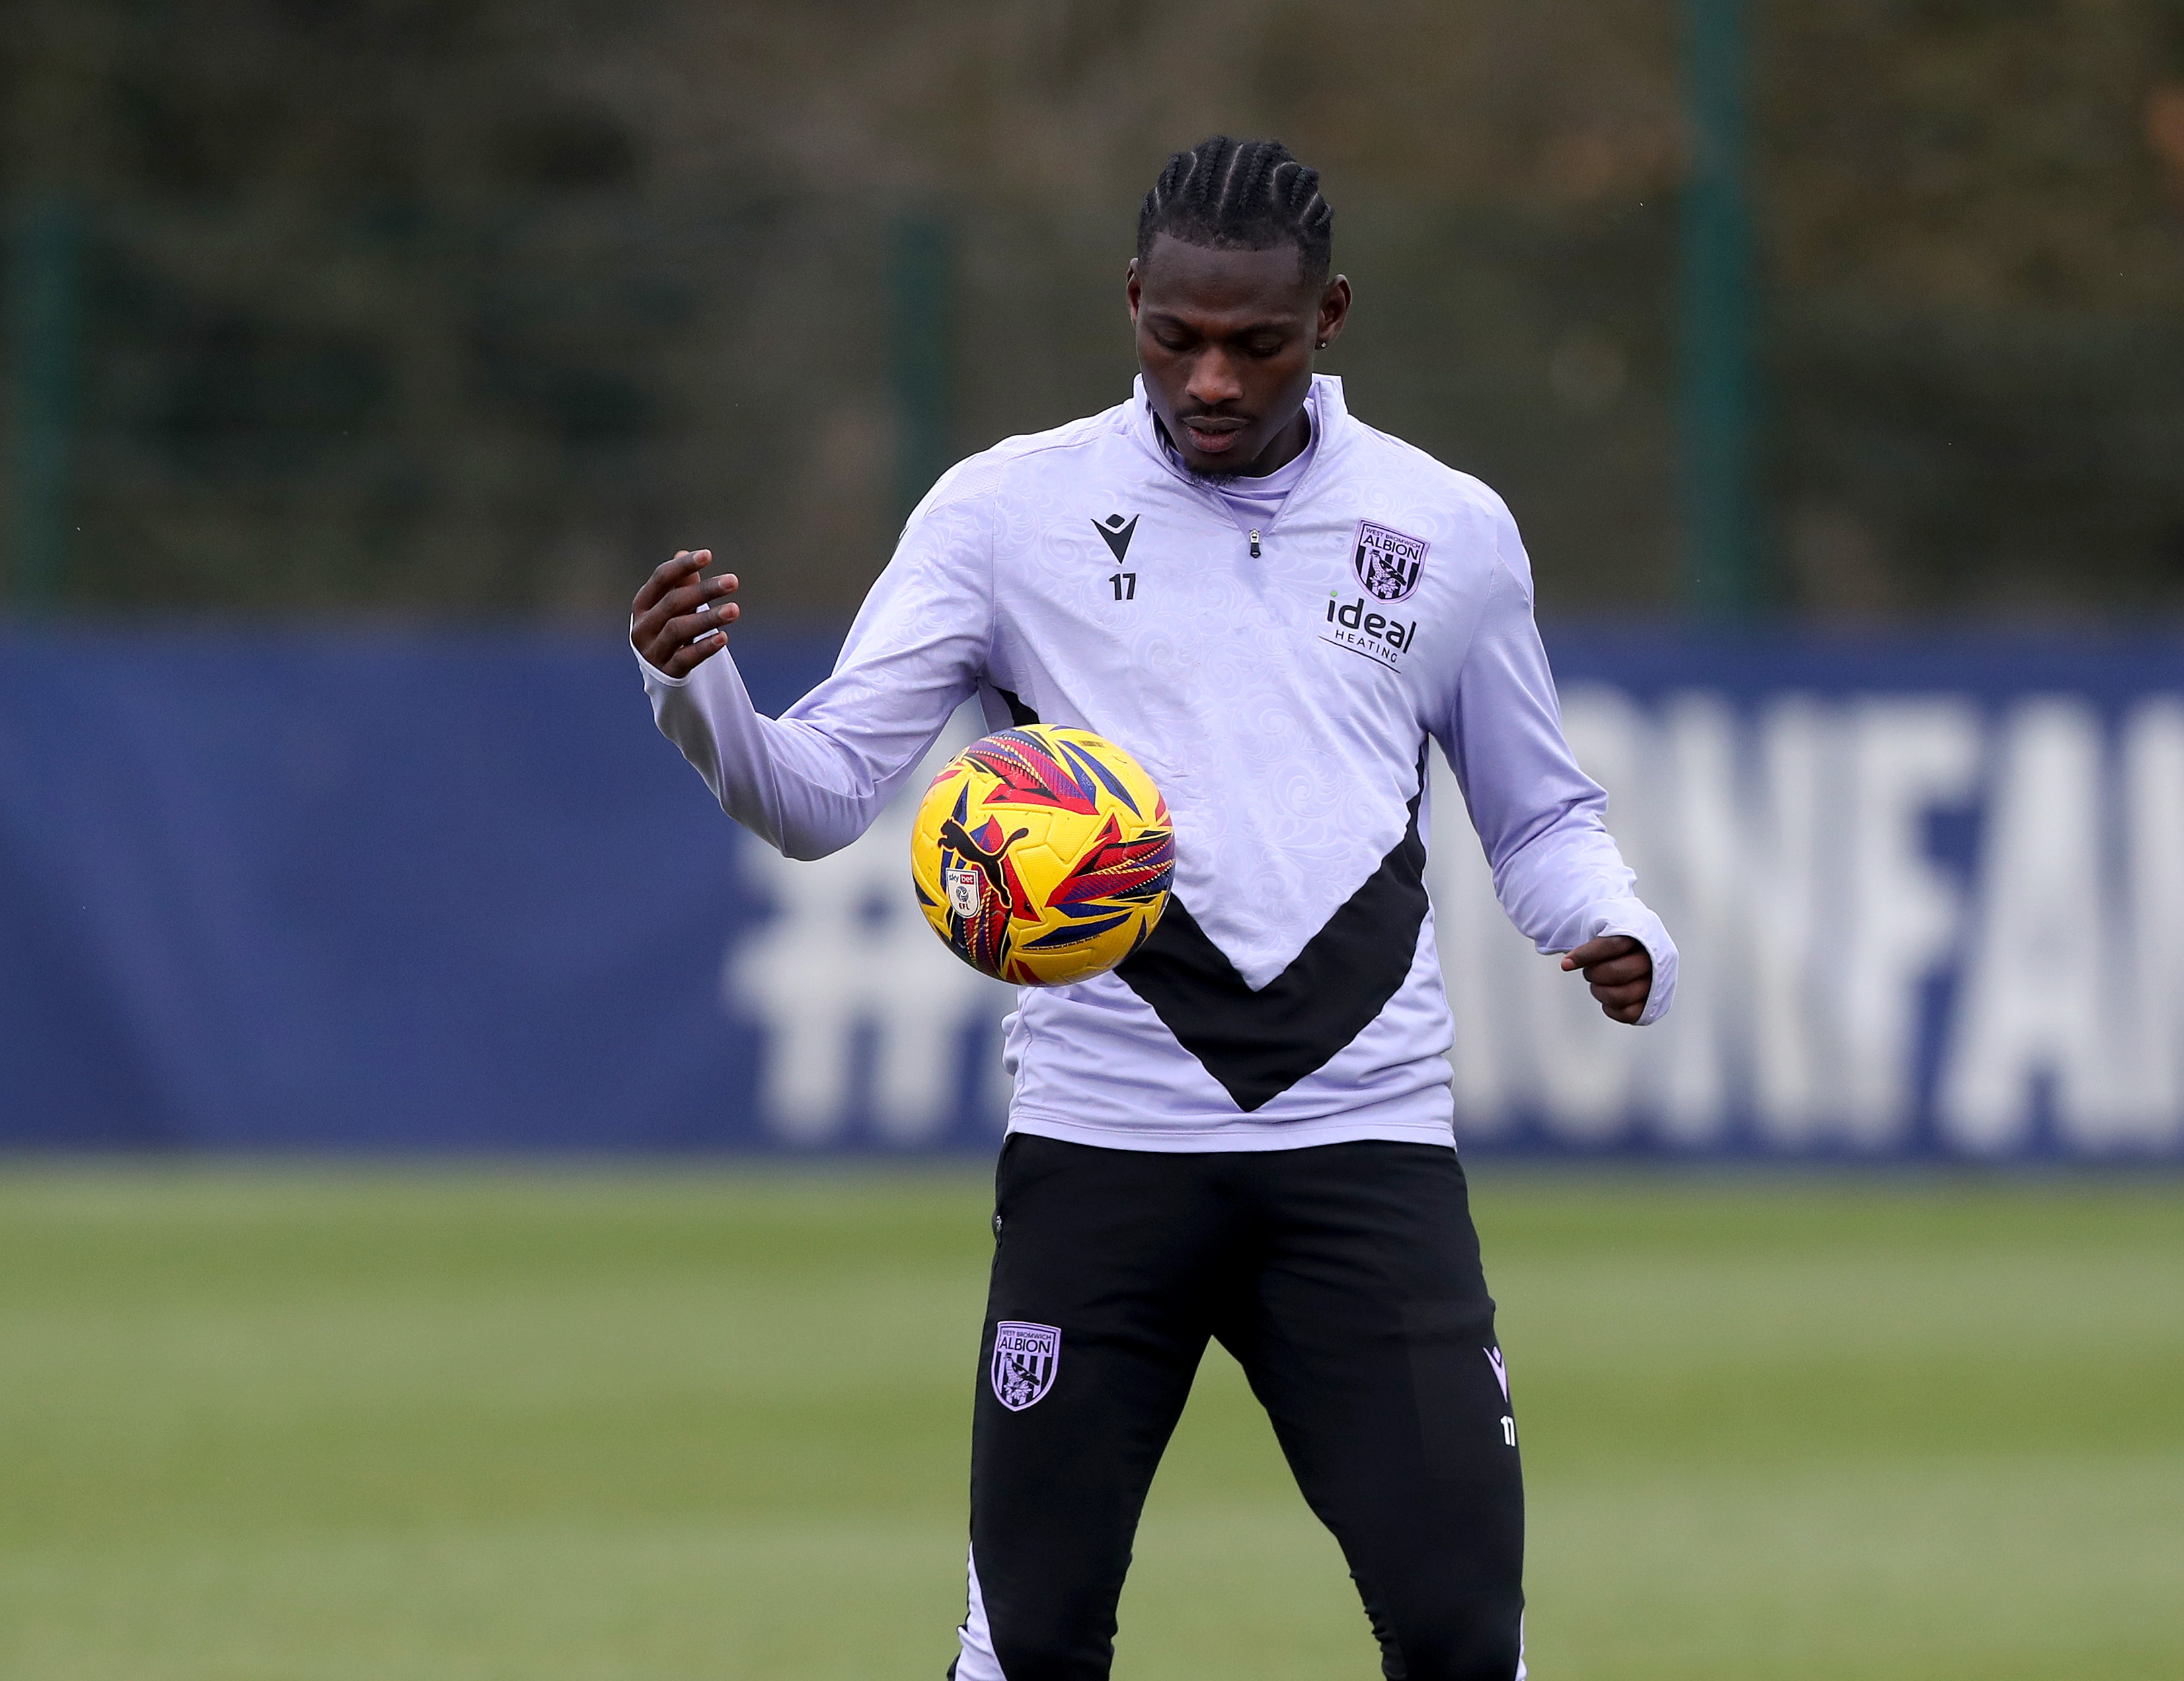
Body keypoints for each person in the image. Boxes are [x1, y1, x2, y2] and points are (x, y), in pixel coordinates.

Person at [632, 136, 1674, 1681]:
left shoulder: (1447, 529)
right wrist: (693, 688)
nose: (1209, 378)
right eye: (1173, 335)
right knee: (1034, 1642)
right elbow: (818, 794)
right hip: (1103, 1158)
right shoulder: (1004, 516)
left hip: (1363, 1154)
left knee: (1463, 1634)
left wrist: (1612, 921)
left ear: (1329, 320)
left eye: (1254, 344)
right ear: (1130, 301)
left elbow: (1539, 817)